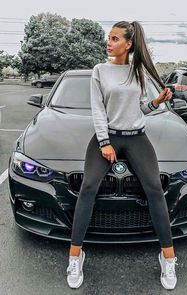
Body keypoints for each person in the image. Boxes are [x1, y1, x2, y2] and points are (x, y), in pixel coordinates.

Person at [66, 20, 178, 290]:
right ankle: (75, 256)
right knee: (88, 187)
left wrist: (156, 102)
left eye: (115, 39)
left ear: (128, 44)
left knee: (154, 189)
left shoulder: (138, 71)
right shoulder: (99, 70)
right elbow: (97, 110)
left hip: (136, 137)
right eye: (109, 37)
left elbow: (141, 109)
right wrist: (105, 143)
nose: (109, 42)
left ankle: (168, 258)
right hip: (108, 137)